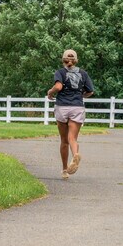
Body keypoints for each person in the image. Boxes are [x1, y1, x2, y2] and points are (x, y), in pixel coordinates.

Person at [47, 49, 94, 180]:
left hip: (62, 106)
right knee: (72, 138)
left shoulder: (60, 72)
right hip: (77, 107)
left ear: (63, 60)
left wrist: (50, 93)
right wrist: (80, 95)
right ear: (76, 60)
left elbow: (58, 87)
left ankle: (64, 170)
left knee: (64, 140)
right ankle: (76, 155)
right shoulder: (83, 74)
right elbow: (90, 91)